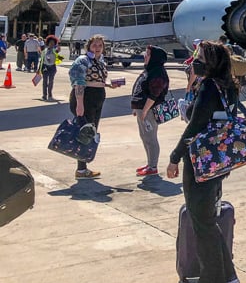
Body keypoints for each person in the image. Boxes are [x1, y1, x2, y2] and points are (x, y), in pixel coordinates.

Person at [167, 40, 239, 283]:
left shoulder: (209, 87)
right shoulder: (228, 85)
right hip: (219, 161)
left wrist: (175, 157)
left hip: (200, 163)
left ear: (212, 61)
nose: (195, 59)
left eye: (200, 56)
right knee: (208, 220)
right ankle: (228, 276)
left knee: (203, 224)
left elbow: (195, 126)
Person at [67, 34, 121, 179]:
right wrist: (79, 104)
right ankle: (81, 169)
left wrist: (109, 84)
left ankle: (83, 167)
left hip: (97, 98)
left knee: (91, 132)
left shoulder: (100, 61)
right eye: (94, 45)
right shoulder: (83, 60)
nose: (97, 48)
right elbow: (78, 82)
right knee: (85, 133)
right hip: (85, 99)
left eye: (100, 45)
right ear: (89, 47)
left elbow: (99, 79)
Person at [130, 45, 170, 177]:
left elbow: (154, 94)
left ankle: (153, 166)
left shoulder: (157, 73)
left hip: (149, 110)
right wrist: (136, 108)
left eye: (148, 54)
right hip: (142, 109)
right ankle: (150, 163)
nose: (145, 56)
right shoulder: (150, 70)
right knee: (145, 137)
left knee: (151, 138)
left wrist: (145, 110)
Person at [37, 35, 59, 101]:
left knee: (51, 82)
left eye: (53, 43)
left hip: (52, 67)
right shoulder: (44, 51)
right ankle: (44, 95)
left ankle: (50, 95)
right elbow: (42, 60)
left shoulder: (55, 51)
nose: (51, 44)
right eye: (50, 43)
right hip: (45, 67)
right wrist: (39, 69)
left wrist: (58, 51)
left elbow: (58, 57)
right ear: (48, 43)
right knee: (45, 82)